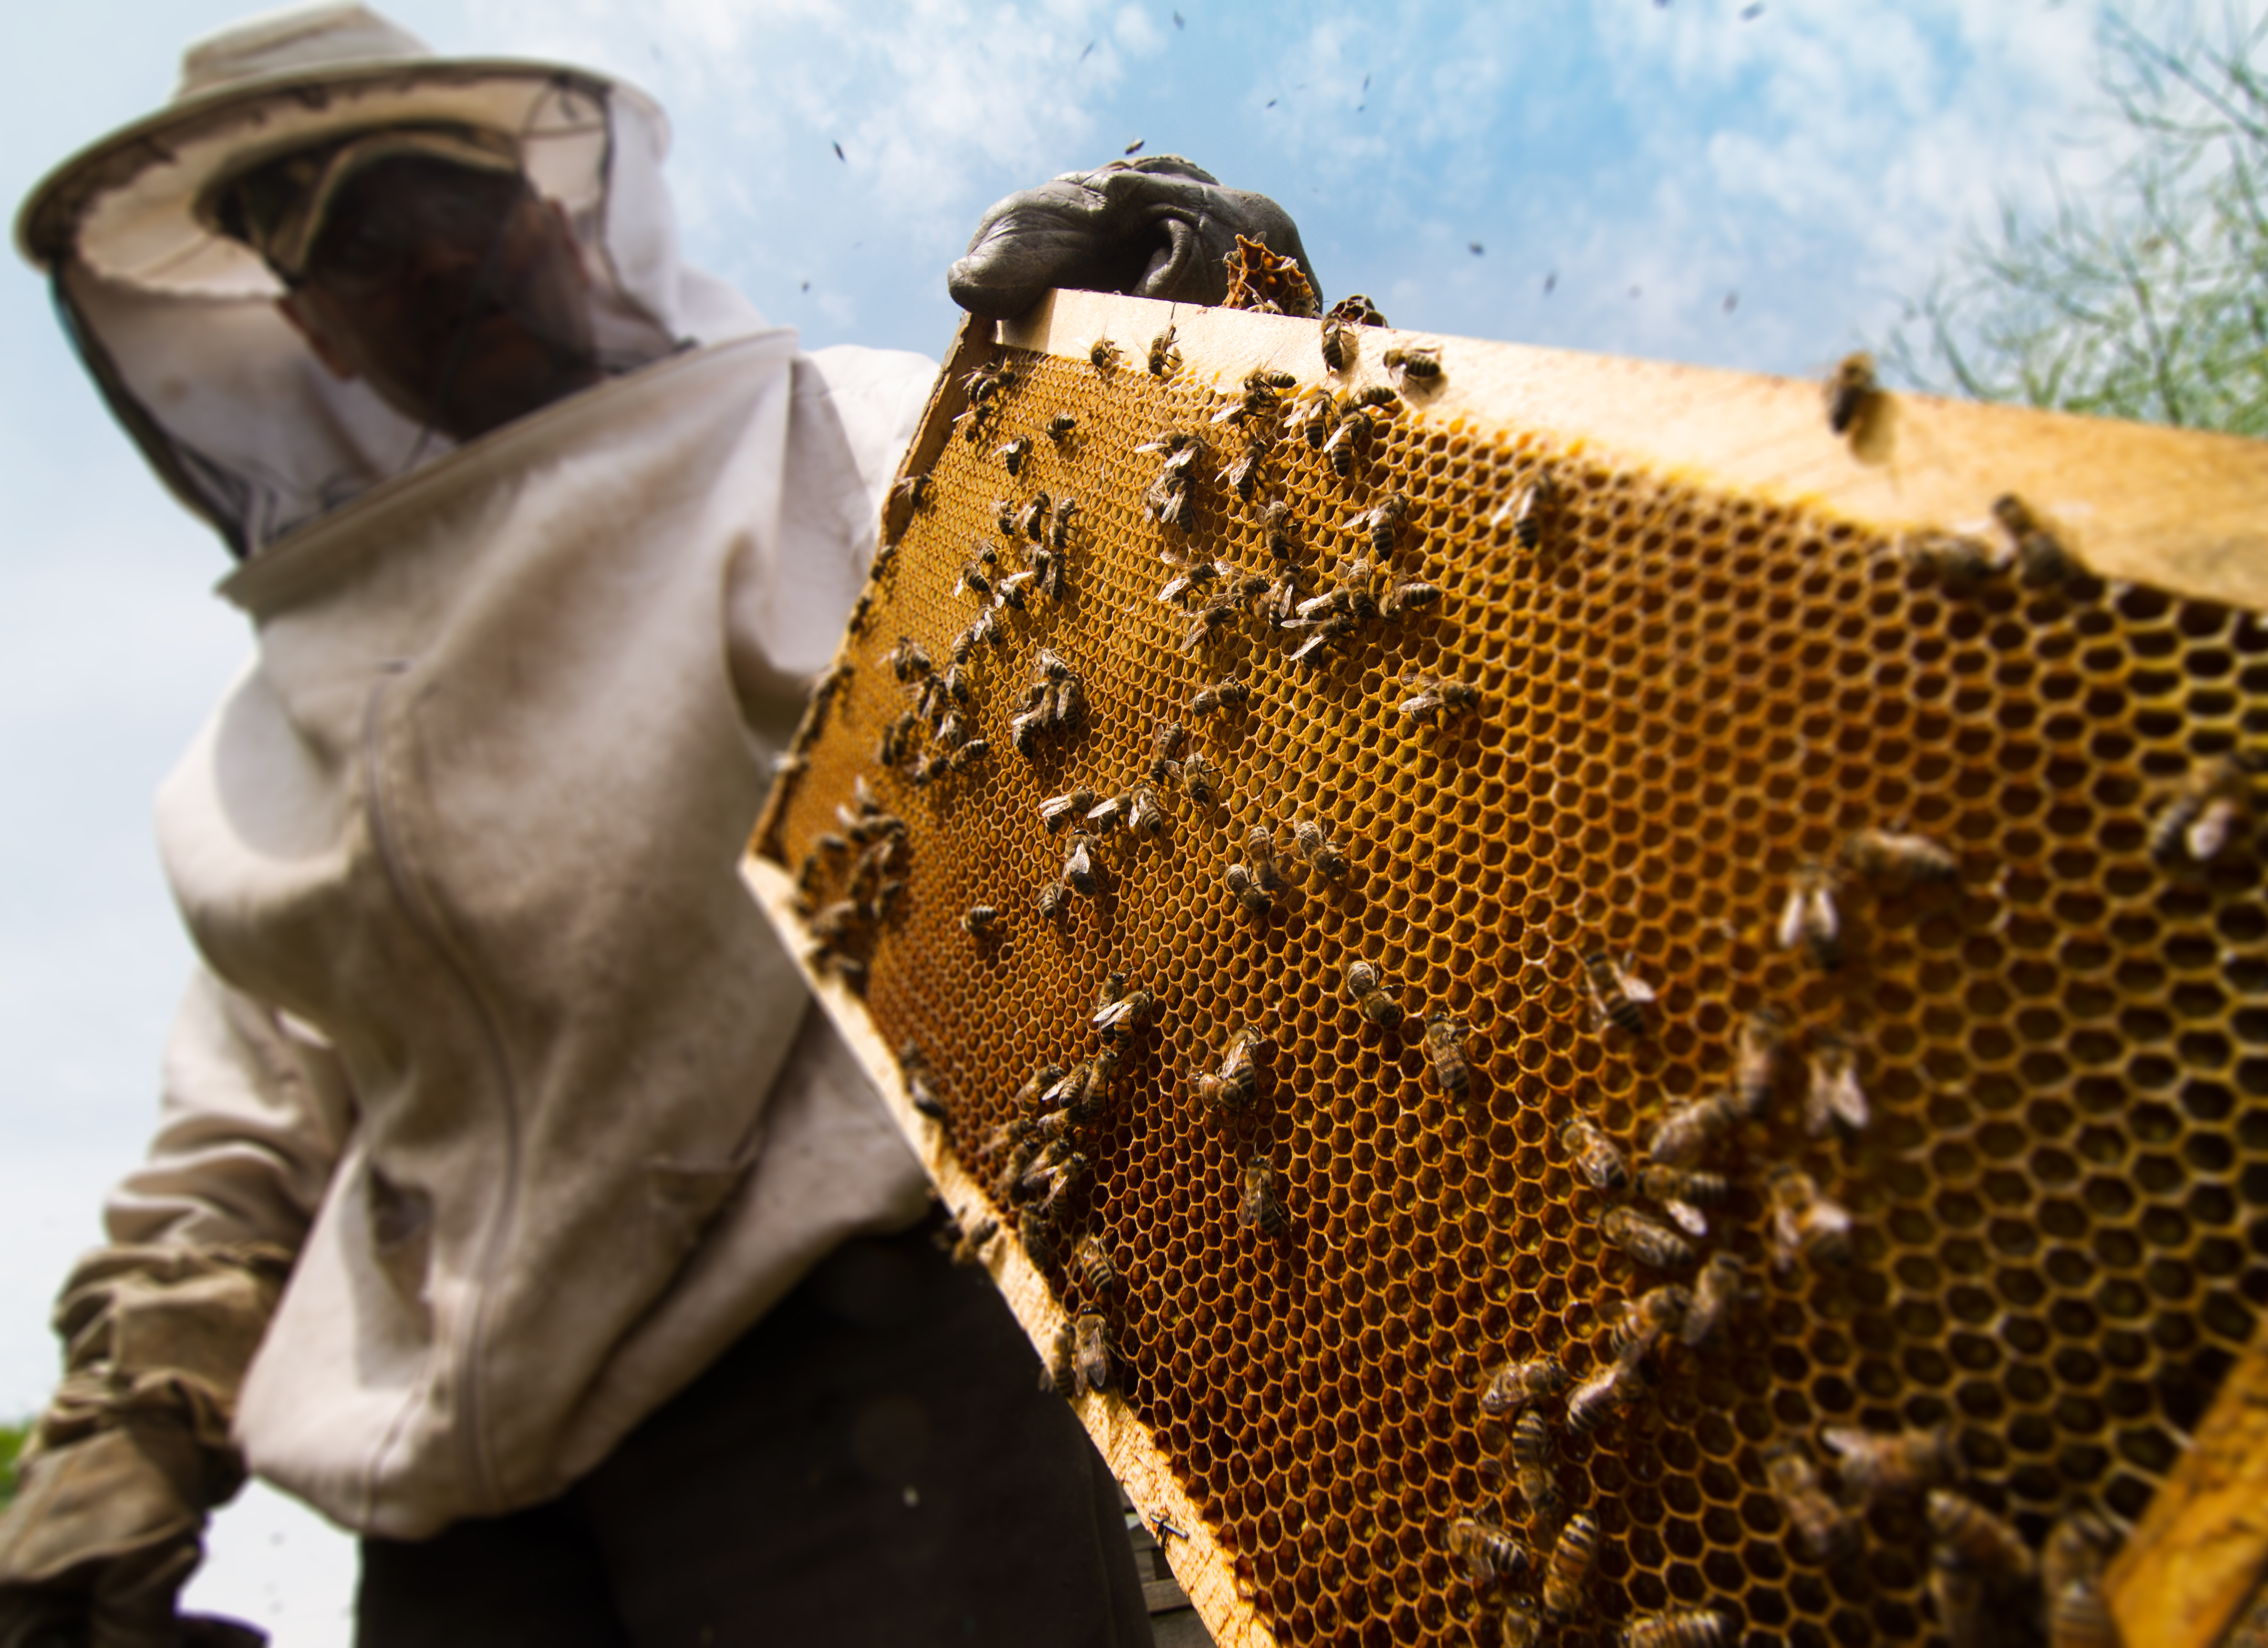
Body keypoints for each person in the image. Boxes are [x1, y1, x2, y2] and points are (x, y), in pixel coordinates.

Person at [0, 6, 1317, 1644]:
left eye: (440, 201)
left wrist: (1191, 341)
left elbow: (1135, 597)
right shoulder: (268, 747)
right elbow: (250, 1122)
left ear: (553, 215)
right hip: (466, 1517)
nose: (419, 263)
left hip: (858, 1377)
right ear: (311, 331)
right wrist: (115, 1452)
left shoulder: (816, 438)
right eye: (348, 246)